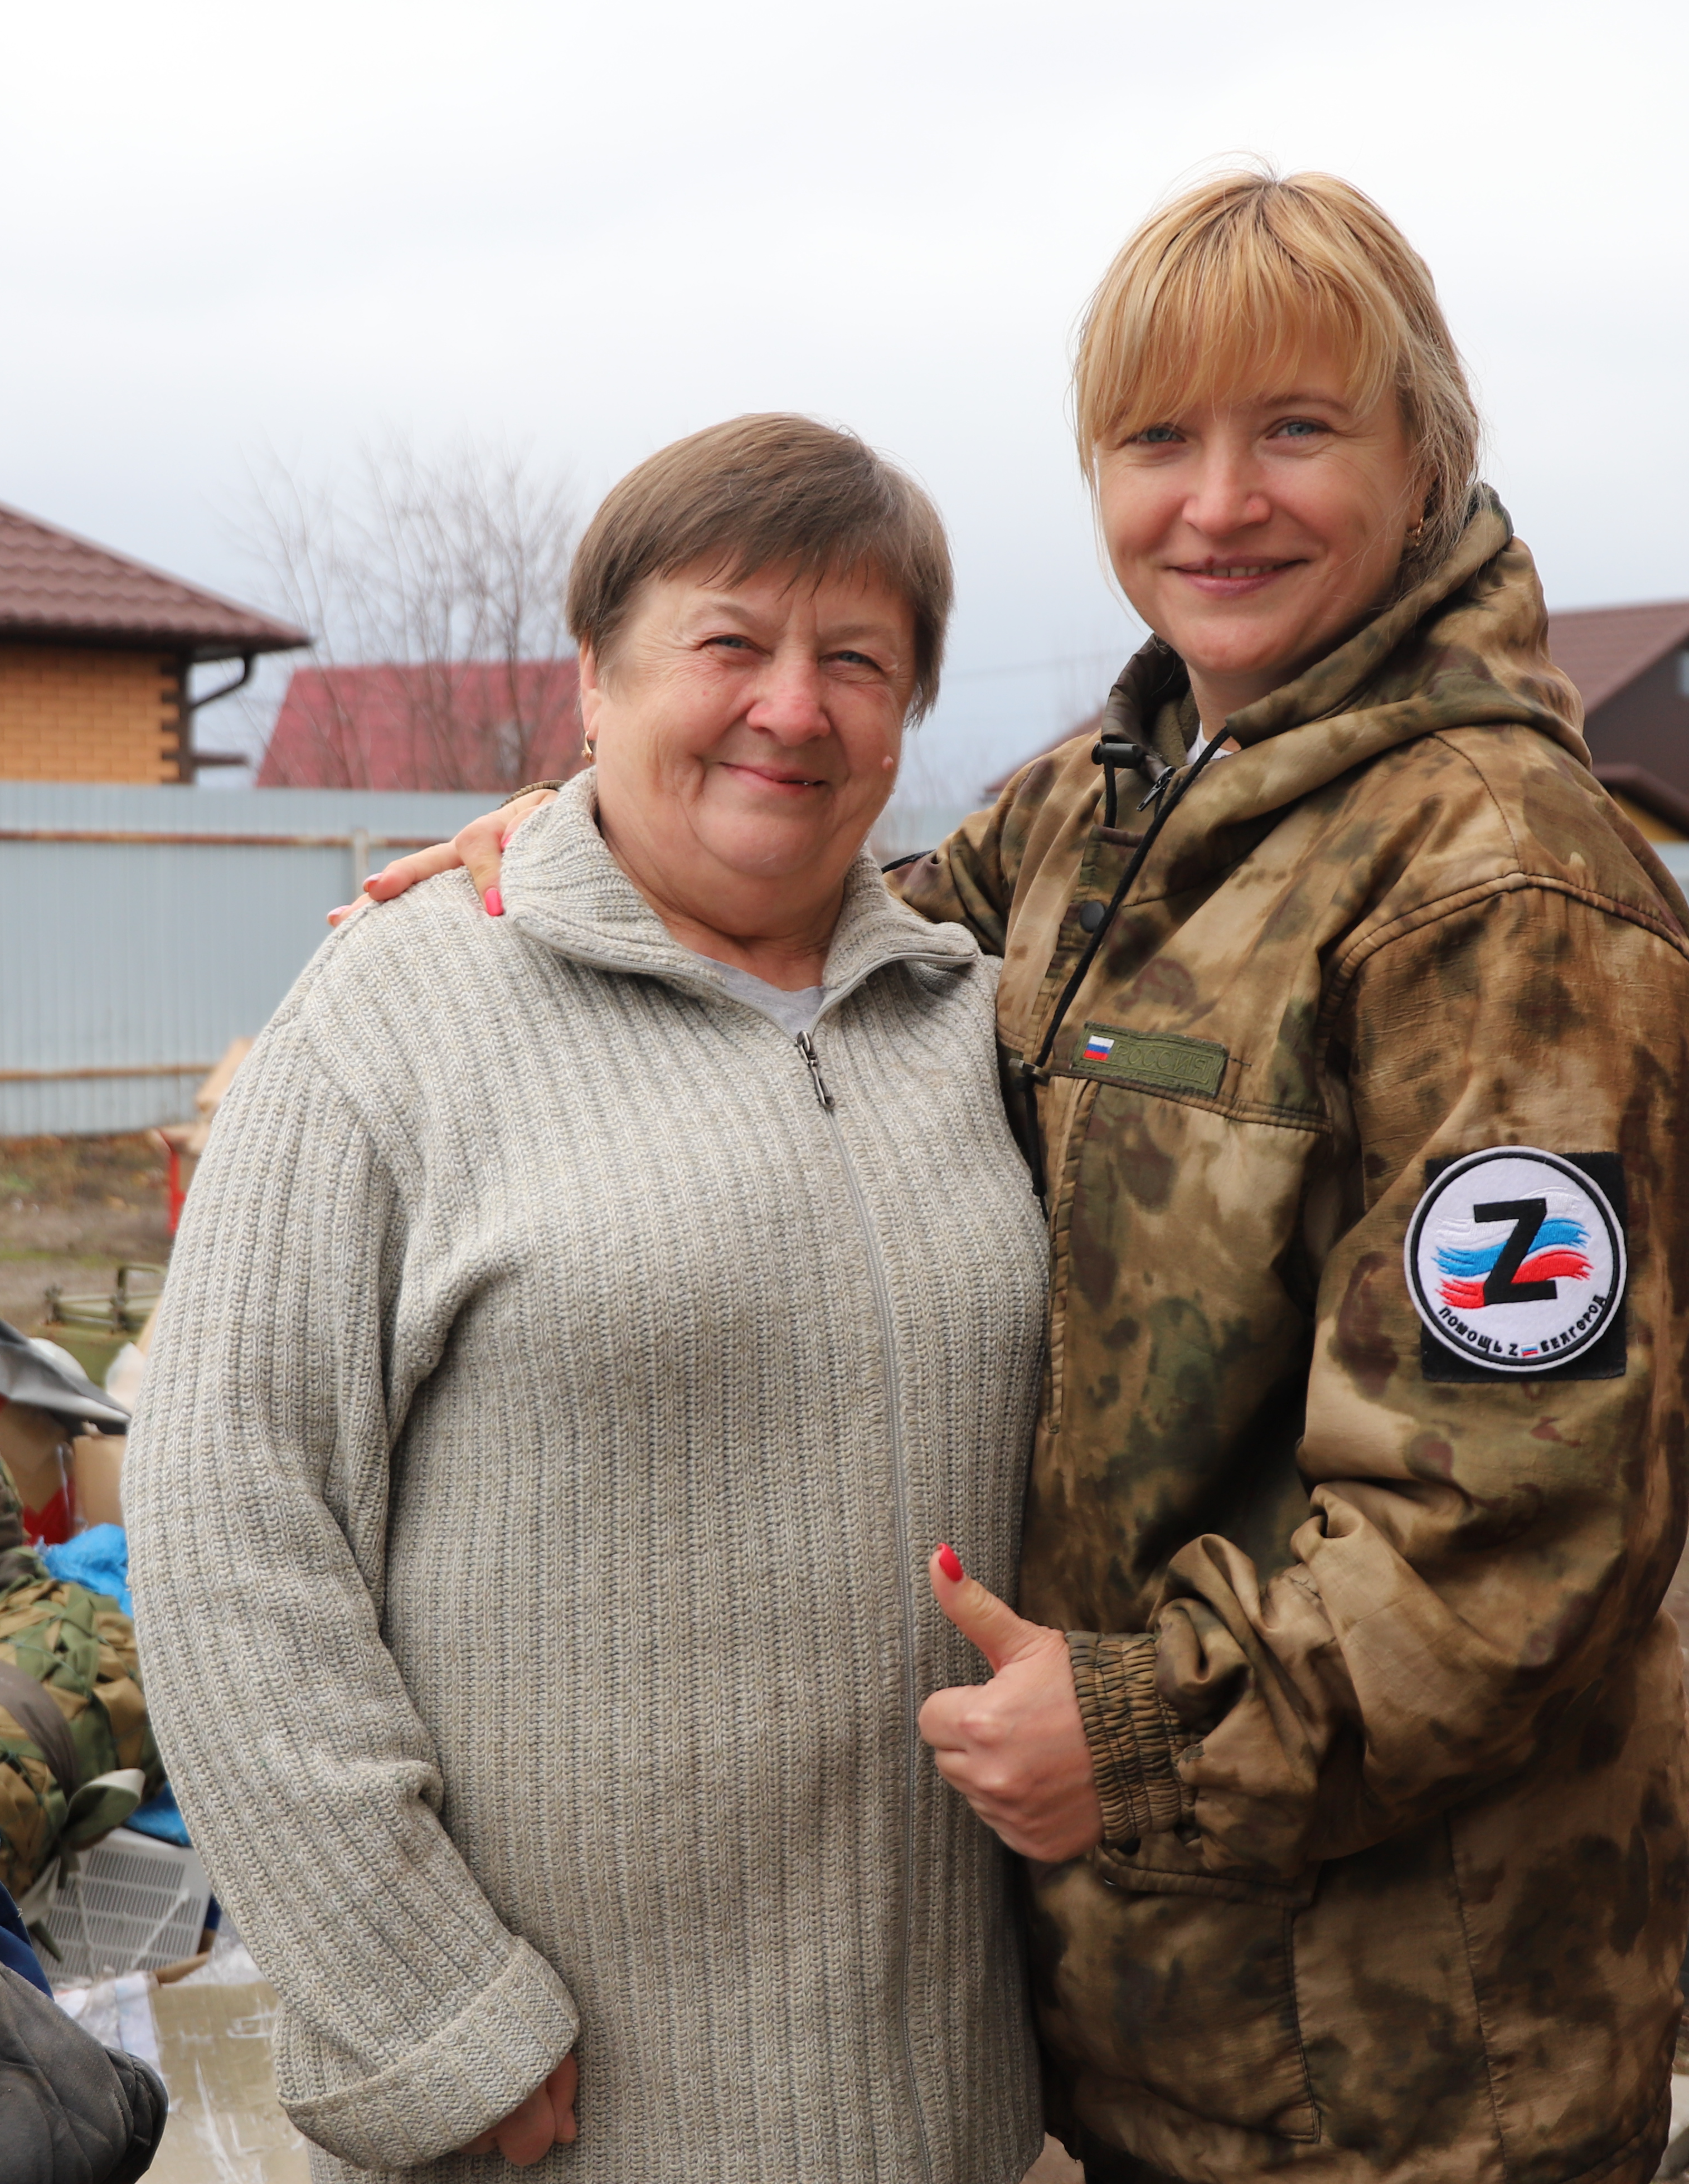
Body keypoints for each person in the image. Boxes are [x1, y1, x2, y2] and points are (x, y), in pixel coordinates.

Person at [371, 170, 1689, 2184]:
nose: (1219, 502)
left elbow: (1517, 1527)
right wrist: (575, 833)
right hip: (1147, 1999)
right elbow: (823, 914)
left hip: (1406, 2058)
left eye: (1297, 430)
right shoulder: (1104, 812)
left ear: (1427, 454)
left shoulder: (1500, 892)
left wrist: (1151, 1731)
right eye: (1156, 440)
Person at [129, 414, 1051, 2183]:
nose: (795, 706)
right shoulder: (400, 1011)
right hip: (561, 2118)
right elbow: (227, 1525)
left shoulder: (971, 1018)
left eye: (857, 661)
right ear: (596, 682)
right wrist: (420, 2020)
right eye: (730, 644)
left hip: (938, 2105)